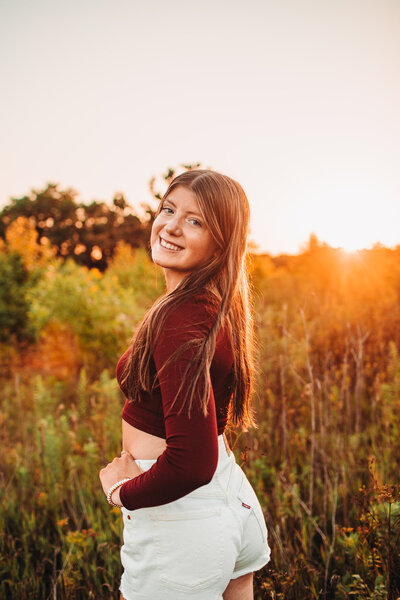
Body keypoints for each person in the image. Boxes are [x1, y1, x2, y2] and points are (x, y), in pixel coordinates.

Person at [99, 169, 271, 600]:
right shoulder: (210, 303)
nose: (171, 226)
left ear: (221, 241)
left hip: (183, 522)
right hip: (227, 502)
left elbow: (192, 463)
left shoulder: (183, 317)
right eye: (168, 209)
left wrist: (122, 492)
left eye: (195, 221)